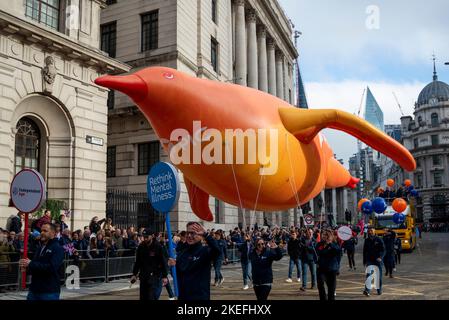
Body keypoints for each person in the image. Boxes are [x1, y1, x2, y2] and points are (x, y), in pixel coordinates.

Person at [168, 222, 220, 300]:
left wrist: (206, 235)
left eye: (193, 233)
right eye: (188, 233)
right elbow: (177, 274)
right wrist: (172, 266)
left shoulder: (205, 251)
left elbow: (217, 250)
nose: (189, 236)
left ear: (200, 235)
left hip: (200, 296)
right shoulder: (182, 252)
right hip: (183, 296)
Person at [19, 223, 64, 300]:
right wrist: (27, 268)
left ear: (53, 233)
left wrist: (30, 264)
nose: (42, 233)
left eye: (45, 231)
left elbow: (51, 268)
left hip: (49, 292)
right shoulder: (40, 247)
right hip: (34, 290)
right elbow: (36, 265)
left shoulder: (57, 248)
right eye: (41, 230)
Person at [131, 229, 168, 300]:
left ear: (152, 236)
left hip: (154, 276)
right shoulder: (141, 247)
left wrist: (164, 276)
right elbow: (138, 261)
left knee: (151, 296)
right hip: (143, 275)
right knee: (143, 297)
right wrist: (134, 274)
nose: (145, 238)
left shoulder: (158, 247)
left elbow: (163, 261)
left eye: (147, 237)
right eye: (144, 236)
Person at [315, 229, 341, 301]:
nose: (324, 236)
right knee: (320, 285)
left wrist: (330, 244)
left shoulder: (334, 244)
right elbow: (315, 253)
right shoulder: (320, 244)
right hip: (321, 268)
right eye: (323, 234)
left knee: (331, 289)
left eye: (326, 235)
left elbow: (338, 253)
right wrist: (316, 261)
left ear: (330, 236)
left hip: (332, 269)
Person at [363, 227, 385, 296]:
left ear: (374, 231)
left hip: (378, 261)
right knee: (369, 275)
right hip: (370, 260)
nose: (370, 232)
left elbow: (384, 250)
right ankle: (367, 291)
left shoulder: (379, 239)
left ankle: (379, 290)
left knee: (378, 277)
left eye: (371, 231)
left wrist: (380, 257)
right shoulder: (366, 240)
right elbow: (364, 251)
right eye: (369, 231)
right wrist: (364, 261)